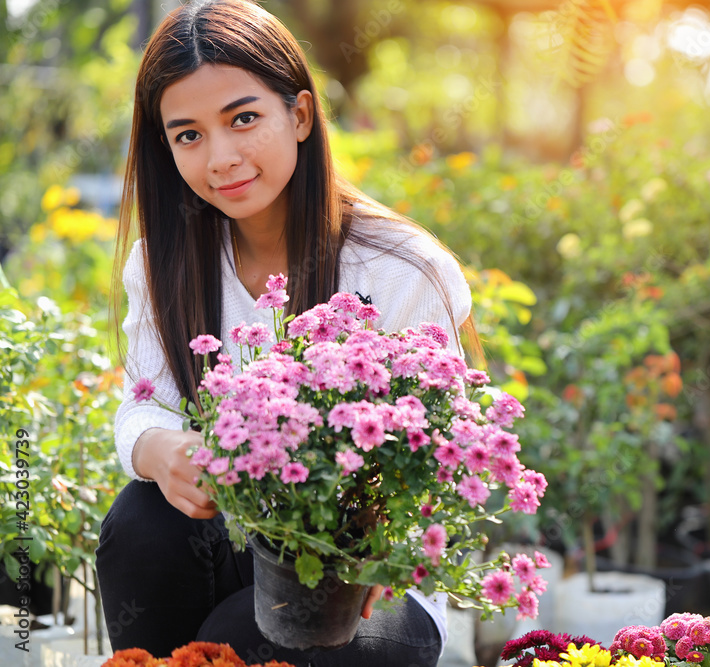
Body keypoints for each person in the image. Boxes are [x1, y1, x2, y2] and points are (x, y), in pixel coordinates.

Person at [95, 1, 481, 664]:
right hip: (241, 544)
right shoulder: (163, 263)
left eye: (243, 119)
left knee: (251, 643)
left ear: (299, 115)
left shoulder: (401, 269)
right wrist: (158, 446)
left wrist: (374, 536)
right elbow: (143, 399)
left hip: (371, 582)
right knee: (140, 526)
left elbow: (444, 460)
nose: (221, 157)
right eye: (188, 135)